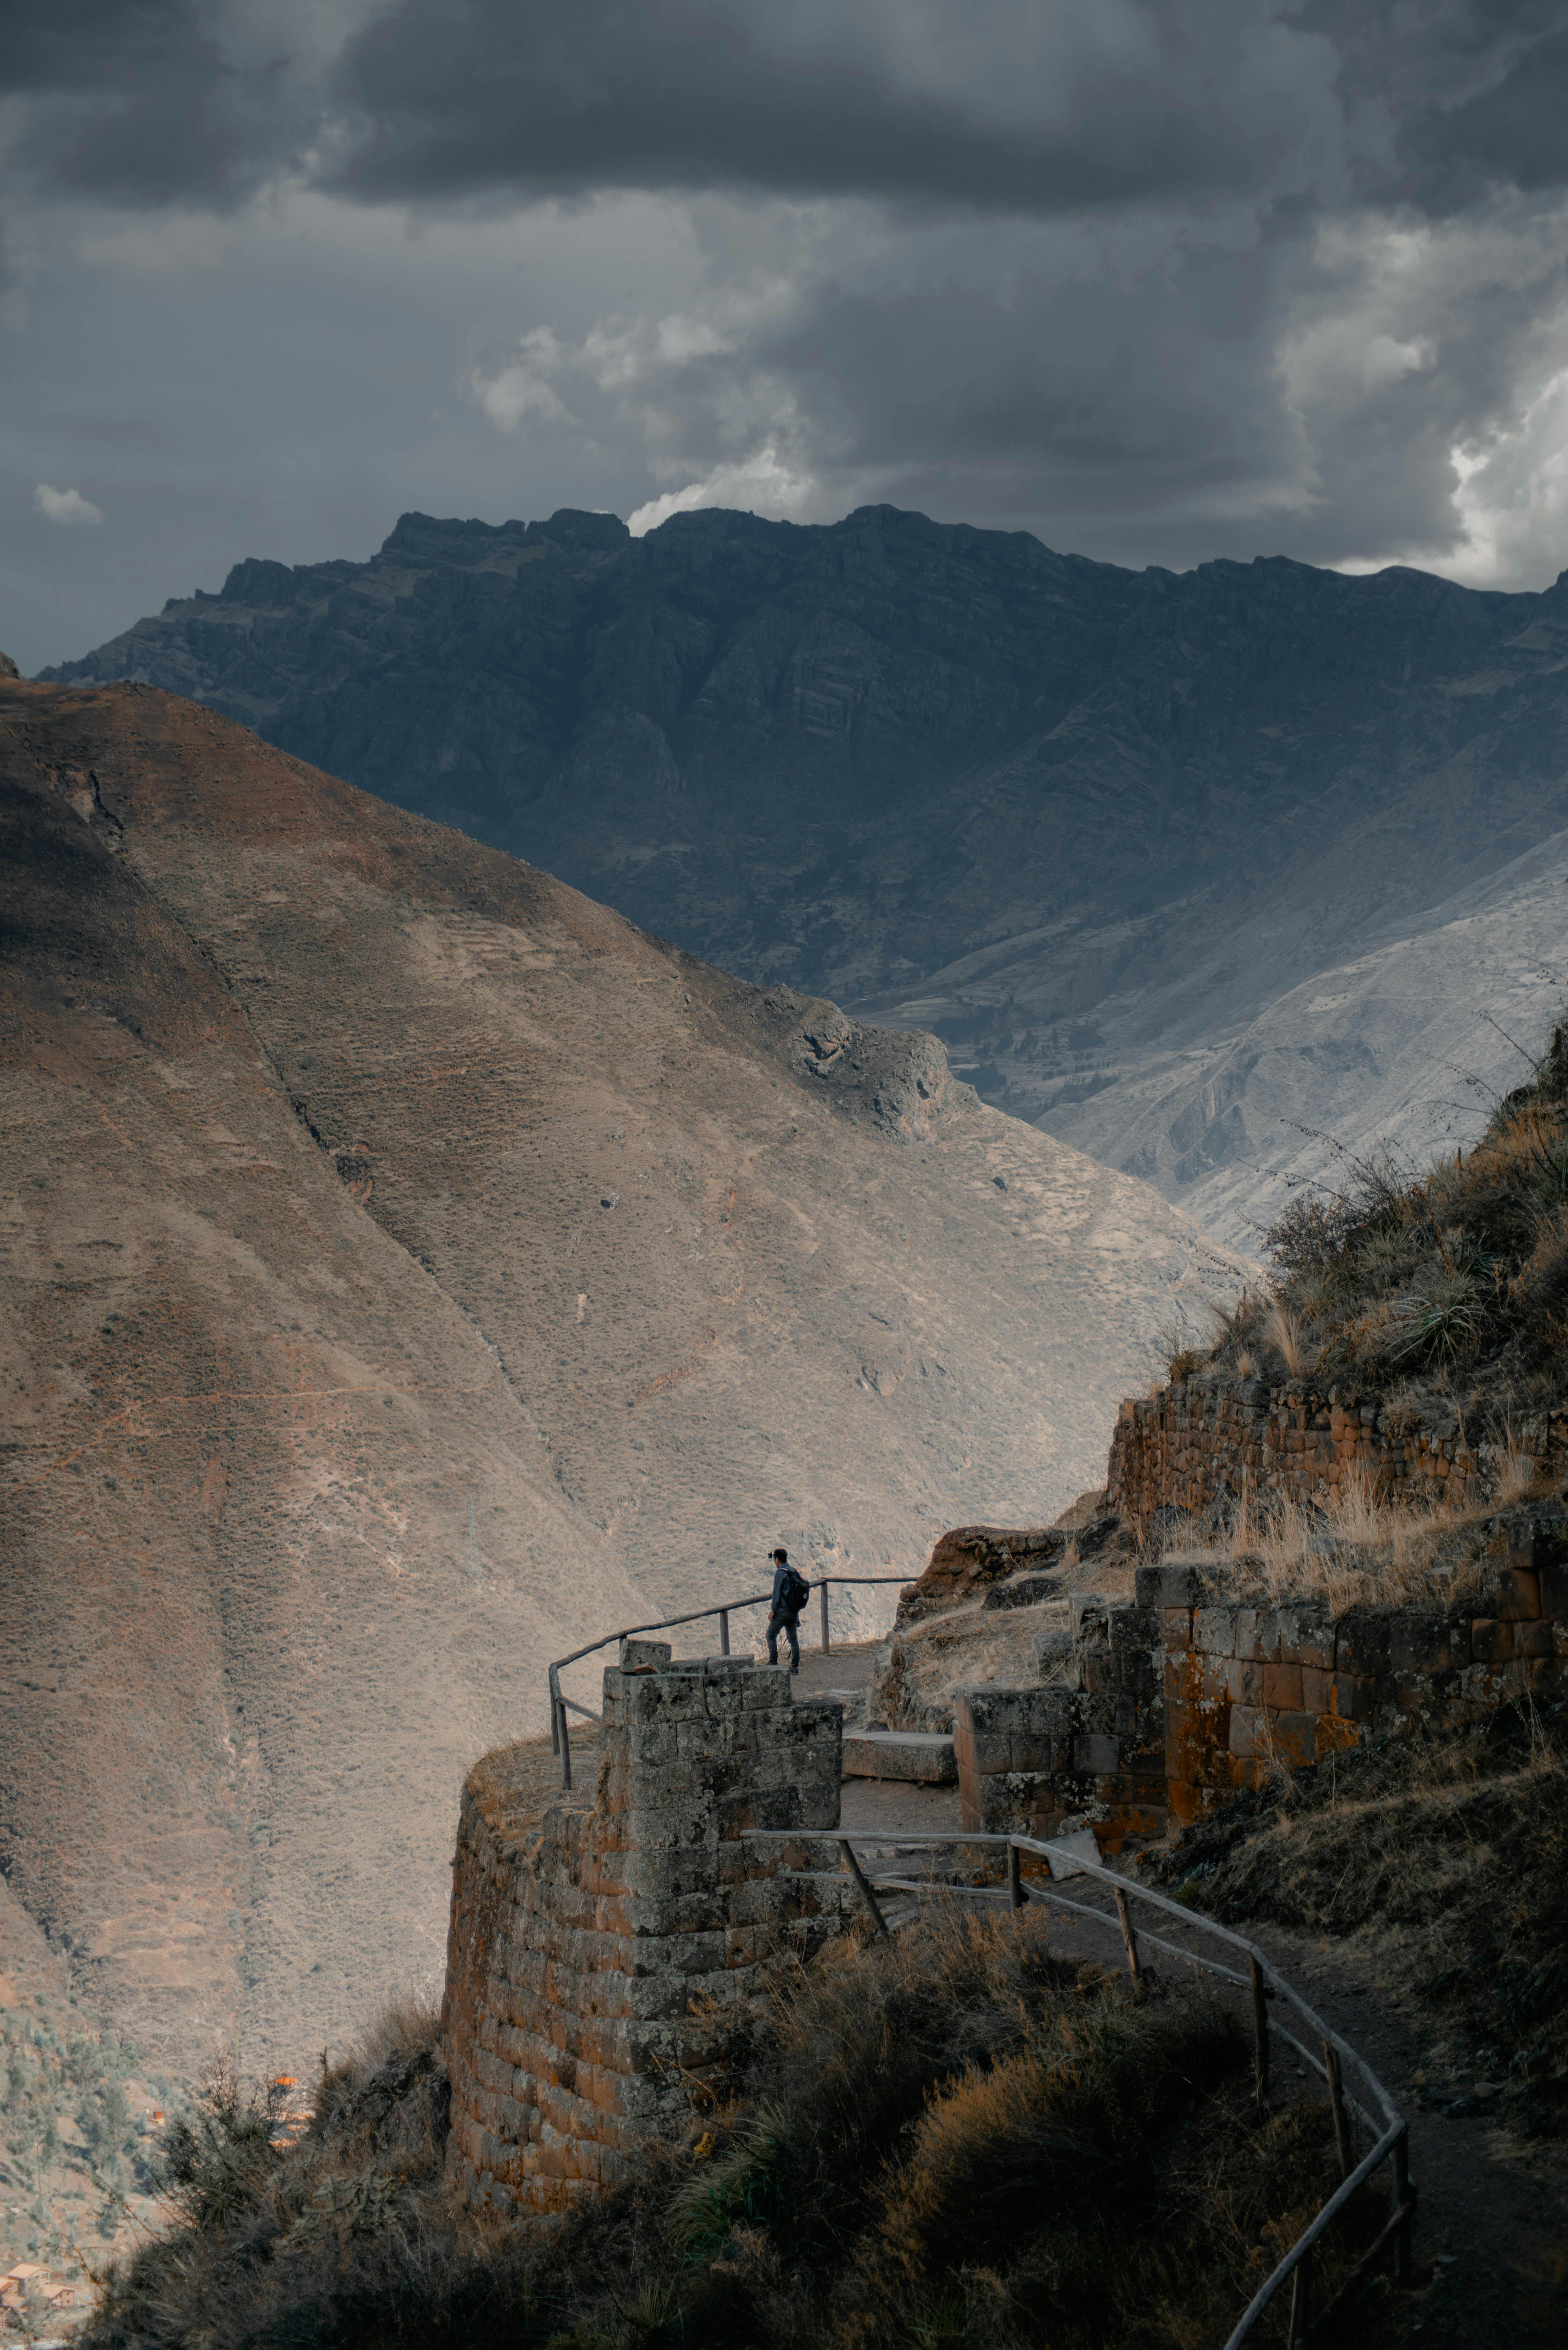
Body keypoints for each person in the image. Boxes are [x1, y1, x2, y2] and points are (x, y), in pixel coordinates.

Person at [765, 1545, 808, 1670]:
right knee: (793, 1639)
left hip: (783, 1612)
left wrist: (773, 1610)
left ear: (777, 1560)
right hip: (794, 1612)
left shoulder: (780, 1573)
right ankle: (795, 1666)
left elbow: (777, 1593)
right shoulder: (794, 1571)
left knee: (771, 1635)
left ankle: (773, 1663)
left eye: (774, 1559)